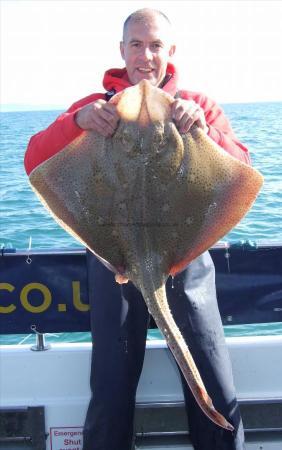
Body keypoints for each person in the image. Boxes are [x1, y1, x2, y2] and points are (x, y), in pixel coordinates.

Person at [24, 8, 250, 450]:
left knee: (213, 382)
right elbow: (35, 160)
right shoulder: (94, 108)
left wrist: (204, 133)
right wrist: (77, 124)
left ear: (171, 51)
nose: (146, 56)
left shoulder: (198, 106)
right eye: (136, 44)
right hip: (116, 260)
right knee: (110, 389)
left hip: (184, 258)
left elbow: (242, 169)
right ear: (122, 50)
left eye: (156, 45)